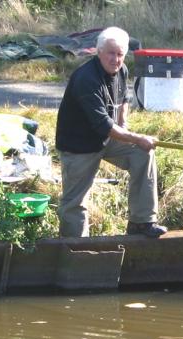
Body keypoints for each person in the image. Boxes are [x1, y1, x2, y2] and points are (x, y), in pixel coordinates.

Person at [56, 26, 167, 238]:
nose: (115, 59)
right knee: (74, 203)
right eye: (111, 53)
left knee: (143, 153)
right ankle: (74, 248)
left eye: (120, 54)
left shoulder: (121, 70)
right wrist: (137, 137)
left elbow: (123, 99)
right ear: (98, 52)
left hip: (107, 138)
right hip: (78, 146)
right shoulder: (86, 79)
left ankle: (141, 222)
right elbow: (103, 125)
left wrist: (124, 126)